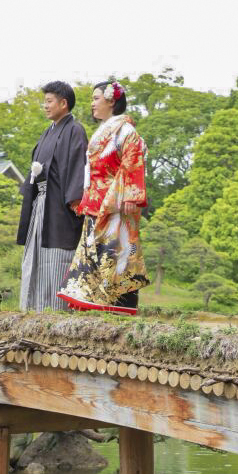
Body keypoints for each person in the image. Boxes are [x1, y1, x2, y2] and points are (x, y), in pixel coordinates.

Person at [57, 81, 149, 314]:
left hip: (116, 203)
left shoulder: (126, 131)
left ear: (111, 101)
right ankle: (92, 304)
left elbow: (133, 160)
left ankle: (118, 306)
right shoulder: (106, 130)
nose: (92, 104)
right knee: (93, 252)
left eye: (96, 98)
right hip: (97, 200)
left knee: (116, 253)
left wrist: (130, 194)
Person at [17, 81, 88, 311]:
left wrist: (75, 202)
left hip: (59, 208)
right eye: (45, 101)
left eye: (49, 101)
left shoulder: (75, 130)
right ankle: (33, 309)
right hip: (41, 203)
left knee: (57, 258)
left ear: (63, 103)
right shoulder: (47, 132)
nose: (45, 106)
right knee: (36, 256)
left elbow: (78, 167)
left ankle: (55, 311)